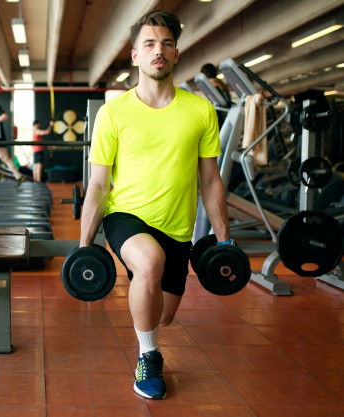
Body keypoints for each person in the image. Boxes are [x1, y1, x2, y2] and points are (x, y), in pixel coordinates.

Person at [79, 10, 231, 400]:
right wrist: (84, 246)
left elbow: (210, 179)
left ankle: (148, 321)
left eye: (165, 44)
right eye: (148, 44)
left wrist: (224, 239)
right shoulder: (113, 112)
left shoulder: (199, 111)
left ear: (176, 54)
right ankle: (149, 357)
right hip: (126, 216)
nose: (157, 51)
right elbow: (98, 184)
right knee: (149, 262)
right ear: (135, 55)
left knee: (163, 314)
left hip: (177, 228)